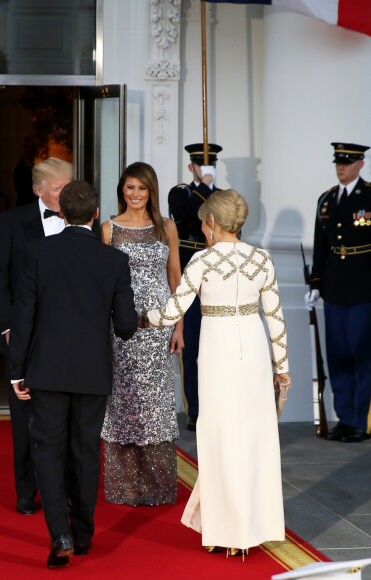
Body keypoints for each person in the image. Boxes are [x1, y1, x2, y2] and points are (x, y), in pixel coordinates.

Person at [147, 189, 290, 555]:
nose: (201, 228)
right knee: (253, 437)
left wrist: (138, 320)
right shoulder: (263, 259)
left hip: (217, 351)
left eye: (202, 222)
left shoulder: (202, 261)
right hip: (254, 349)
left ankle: (228, 532)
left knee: (220, 438)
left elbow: (170, 311)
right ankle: (249, 530)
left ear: (211, 222)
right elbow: (274, 317)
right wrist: (282, 368)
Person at [9, 180, 137, 568]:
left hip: (46, 371)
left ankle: (59, 532)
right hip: (92, 373)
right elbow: (126, 326)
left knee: (48, 449)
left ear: (61, 213)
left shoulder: (37, 253)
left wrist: (17, 371)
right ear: (95, 214)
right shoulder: (114, 260)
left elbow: (24, 317)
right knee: (84, 452)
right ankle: (82, 536)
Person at [0, 157, 75, 516]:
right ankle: (26, 491)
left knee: (66, 418)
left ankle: (66, 490)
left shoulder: (81, 218)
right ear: (39, 190)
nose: (65, 193)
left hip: (67, 336)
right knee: (24, 419)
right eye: (58, 188)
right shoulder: (12, 221)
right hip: (22, 335)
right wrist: (8, 327)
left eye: (68, 186)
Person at [100, 162, 182, 506]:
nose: (135, 194)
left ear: (152, 191)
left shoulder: (167, 227)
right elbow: (100, 283)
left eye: (142, 188)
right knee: (125, 403)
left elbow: (176, 278)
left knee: (156, 405)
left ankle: (157, 485)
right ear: (122, 189)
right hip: (123, 330)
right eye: (130, 187)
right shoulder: (108, 229)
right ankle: (125, 484)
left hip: (161, 329)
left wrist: (180, 325)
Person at [305, 142, 371, 444]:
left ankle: (360, 421)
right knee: (338, 355)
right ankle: (344, 418)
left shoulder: (370, 196)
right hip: (334, 287)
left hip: (364, 286)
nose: (341, 167)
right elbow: (321, 247)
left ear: (361, 164)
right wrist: (316, 283)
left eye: (347, 162)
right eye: (338, 162)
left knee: (362, 356)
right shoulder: (327, 200)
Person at [167, 142, 223, 432]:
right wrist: (205, 187)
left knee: (217, 346)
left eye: (209, 165)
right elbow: (186, 214)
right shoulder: (181, 192)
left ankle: (216, 404)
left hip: (217, 275)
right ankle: (195, 408)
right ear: (191, 167)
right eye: (200, 165)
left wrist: (212, 190)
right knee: (191, 345)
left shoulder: (224, 197)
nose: (205, 169)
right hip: (190, 273)